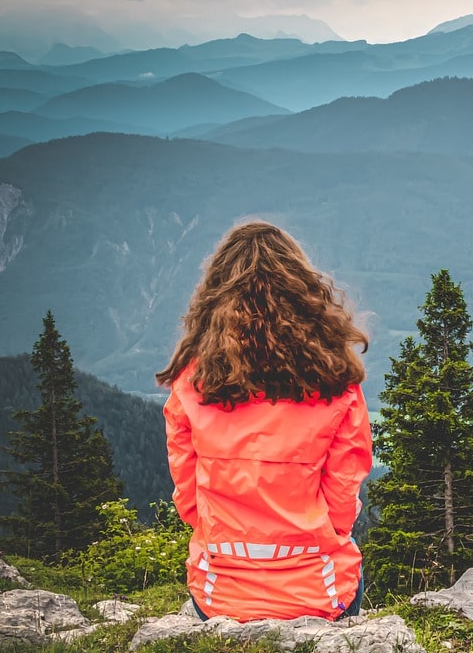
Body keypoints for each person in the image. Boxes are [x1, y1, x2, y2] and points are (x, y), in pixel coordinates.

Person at [157, 221, 372, 622]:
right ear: (302, 294)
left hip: (219, 593)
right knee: (348, 561)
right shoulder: (336, 383)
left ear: (217, 295)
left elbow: (188, 498)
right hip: (319, 593)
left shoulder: (193, 381)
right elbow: (343, 506)